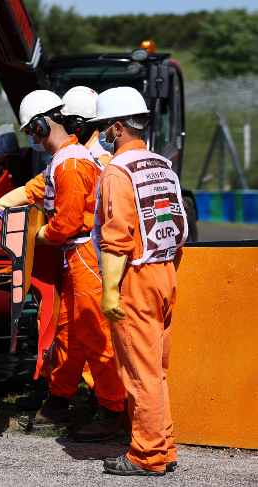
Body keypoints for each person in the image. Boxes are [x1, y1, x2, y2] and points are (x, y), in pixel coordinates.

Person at [0, 89, 125, 439]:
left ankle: (113, 409)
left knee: (92, 332)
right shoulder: (64, 159)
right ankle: (60, 398)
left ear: (44, 123)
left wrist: (35, 236)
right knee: (67, 330)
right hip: (75, 257)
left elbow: (68, 223)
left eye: (32, 130)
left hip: (84, 253)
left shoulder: (72, 163)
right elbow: (34, 191)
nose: (32, 138)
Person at [92, 86, 188, 476]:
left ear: (116, 128)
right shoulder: (163, 165)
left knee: (138, 372)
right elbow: (177, 227)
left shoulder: (117, 171)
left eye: (103, 127)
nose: (100, 133)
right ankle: (163, 446)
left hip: (134, 277)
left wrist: (110, 291)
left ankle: (146, 455)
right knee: (157, 370)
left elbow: (117, 238)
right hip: (165, 273)